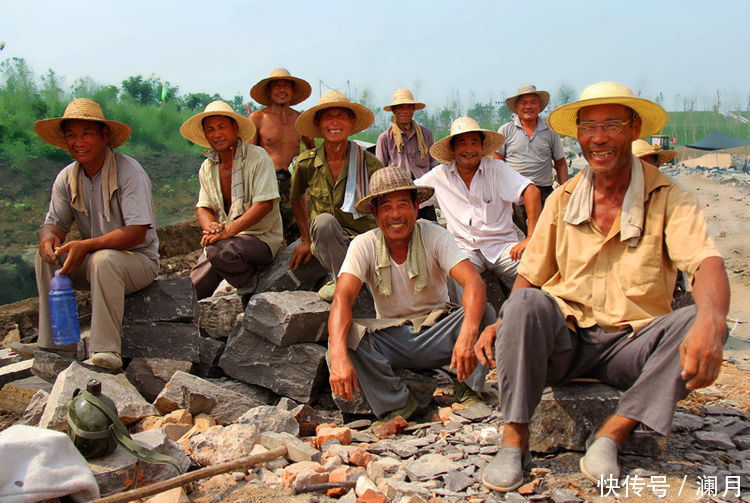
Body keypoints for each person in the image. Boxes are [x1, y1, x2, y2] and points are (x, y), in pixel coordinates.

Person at [475, 82, 729, 492]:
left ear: (633, 129)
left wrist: (713, 321)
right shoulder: (562, 199)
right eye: (588, 127)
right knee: (522, 303)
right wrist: (501, 323)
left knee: (704, 317)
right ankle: (514, 439)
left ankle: (613, 432)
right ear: (577, 136)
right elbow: (531, 276)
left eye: (611, 125)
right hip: (567, 341)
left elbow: (706, 263)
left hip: (634, 345)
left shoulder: (669, 198)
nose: (599, 138)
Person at [328, 167, 495, 424]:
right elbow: (342, 298)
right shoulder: (364, 244)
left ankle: (468, 387)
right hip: (393, 339)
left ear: (416, 207)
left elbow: (473, 283)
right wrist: (338, 356)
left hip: (438, 330)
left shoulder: (434, 234)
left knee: (484, 313)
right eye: (386, 207)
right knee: (346, 335)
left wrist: (468, 334)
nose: (395, 215)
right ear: (375, 213)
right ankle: (399, 405)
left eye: (402, 205)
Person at [11, 98, 159, 370]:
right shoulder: (67, 177)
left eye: (86, 134)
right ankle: (55, 344)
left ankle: (105, 351)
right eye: (71, 136)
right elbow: (54, 222)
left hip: (137, 262)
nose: (78, 142)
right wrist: (48, 240)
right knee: (44, 258)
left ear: (104, 136)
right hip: (95, 259)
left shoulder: (129, 172)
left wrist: (86, 245)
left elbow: (137, 233)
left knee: (104, 259)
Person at [416, 117, 541, 290]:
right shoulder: (439, 176)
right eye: (462, 143)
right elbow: (411, 196)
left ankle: (520, 312)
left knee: (539, 263)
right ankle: (466, 316)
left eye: (474, 142)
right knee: (447, 274)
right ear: (453, 148)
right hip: (463, 250)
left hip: (503, 248)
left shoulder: (496, 169)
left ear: (482, 147)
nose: (469, 149)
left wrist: (531, 237)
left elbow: (531, 191)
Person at [181, 101, 283, 302]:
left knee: (218, 252)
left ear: (235, 128)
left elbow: (264, 205)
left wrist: (227, 232)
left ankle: (248, 281)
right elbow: (203, 206)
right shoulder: (208, 166)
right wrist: (211, 228)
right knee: (193, 288)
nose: (216, 134)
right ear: (205, 134)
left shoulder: (257, 157)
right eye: (210, 130)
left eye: (221, 127)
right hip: (226, 240)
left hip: (260, 238)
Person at [289, 90, 382, 301]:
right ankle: (344, 281)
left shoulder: (369, 163)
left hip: (362, 241)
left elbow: (383, 204)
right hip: (328, 244)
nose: (335, 123)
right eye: (328, 117)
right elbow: (296, 198)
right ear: (319, 124)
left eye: (341, 116)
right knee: (323, 222)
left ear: (350, 122)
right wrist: (305, 239)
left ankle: (352, 280)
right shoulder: (306, 163)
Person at [250, 68, 316, 244]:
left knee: (297, 235)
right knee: (264, 234)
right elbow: (248, 157)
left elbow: (312, 151)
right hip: (266, 183)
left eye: (285, 86)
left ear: (292, 91)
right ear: (269, 91)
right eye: (277, 86)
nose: (281, 90)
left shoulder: (299, 119)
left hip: (293, 184)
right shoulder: (258, 118)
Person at [493, 85, 568, 234]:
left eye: (533, 102)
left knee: (545, 234)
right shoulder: (506, 130)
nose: (529, 106)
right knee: (519, 234)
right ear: (516, 107)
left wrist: (566, 191)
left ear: (539, 106)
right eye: (524, 102)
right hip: (515, 192)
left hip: (543, 191)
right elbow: (497, 163)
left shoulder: (550, 132)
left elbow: (560, 162)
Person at [375, 89, 439, 220]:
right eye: (400, 107)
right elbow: (380, 171)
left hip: (424, 193)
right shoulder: (385, 138)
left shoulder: (426, 134)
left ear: (413, 110)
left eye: (408, 107)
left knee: (430, 230)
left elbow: (435, 164)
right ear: (394, 111)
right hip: (398, 195)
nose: (405, 111)